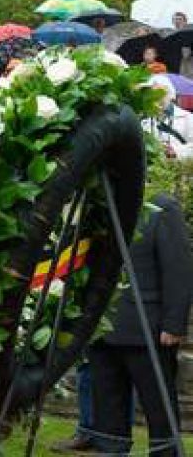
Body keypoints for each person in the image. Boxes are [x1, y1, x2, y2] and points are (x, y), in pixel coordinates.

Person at [88, 193, 193, 456]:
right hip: (102, 331)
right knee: (107, 415)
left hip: (148, 333)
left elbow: (178, 269)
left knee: (160, 415)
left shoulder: (161, 209)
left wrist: (173, 324)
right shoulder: (97, 209)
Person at [144, 75, 193, 160]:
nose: (155, 97)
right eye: (151, 93)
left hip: (179, 170)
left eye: (160, 93)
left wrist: (175, 151)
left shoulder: (188, 118)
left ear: (170, 95)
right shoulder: (144, 119)